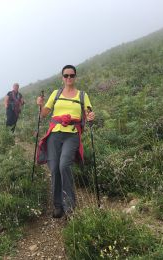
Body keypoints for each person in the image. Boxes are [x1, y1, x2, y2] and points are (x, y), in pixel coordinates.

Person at [36, 65, 95, 218]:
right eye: (66, 75)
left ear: (75, 77)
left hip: (72, 134)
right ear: (62, 77)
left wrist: (90, 116)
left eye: (72, 75)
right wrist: (40, 104)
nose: (69, 78)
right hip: (54, 134)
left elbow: (89, 113)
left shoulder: (82, 95)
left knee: (64, 165)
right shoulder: (56, 94)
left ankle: (69, 204)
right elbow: (43, 114)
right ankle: (57, 205)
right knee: (54, 168)